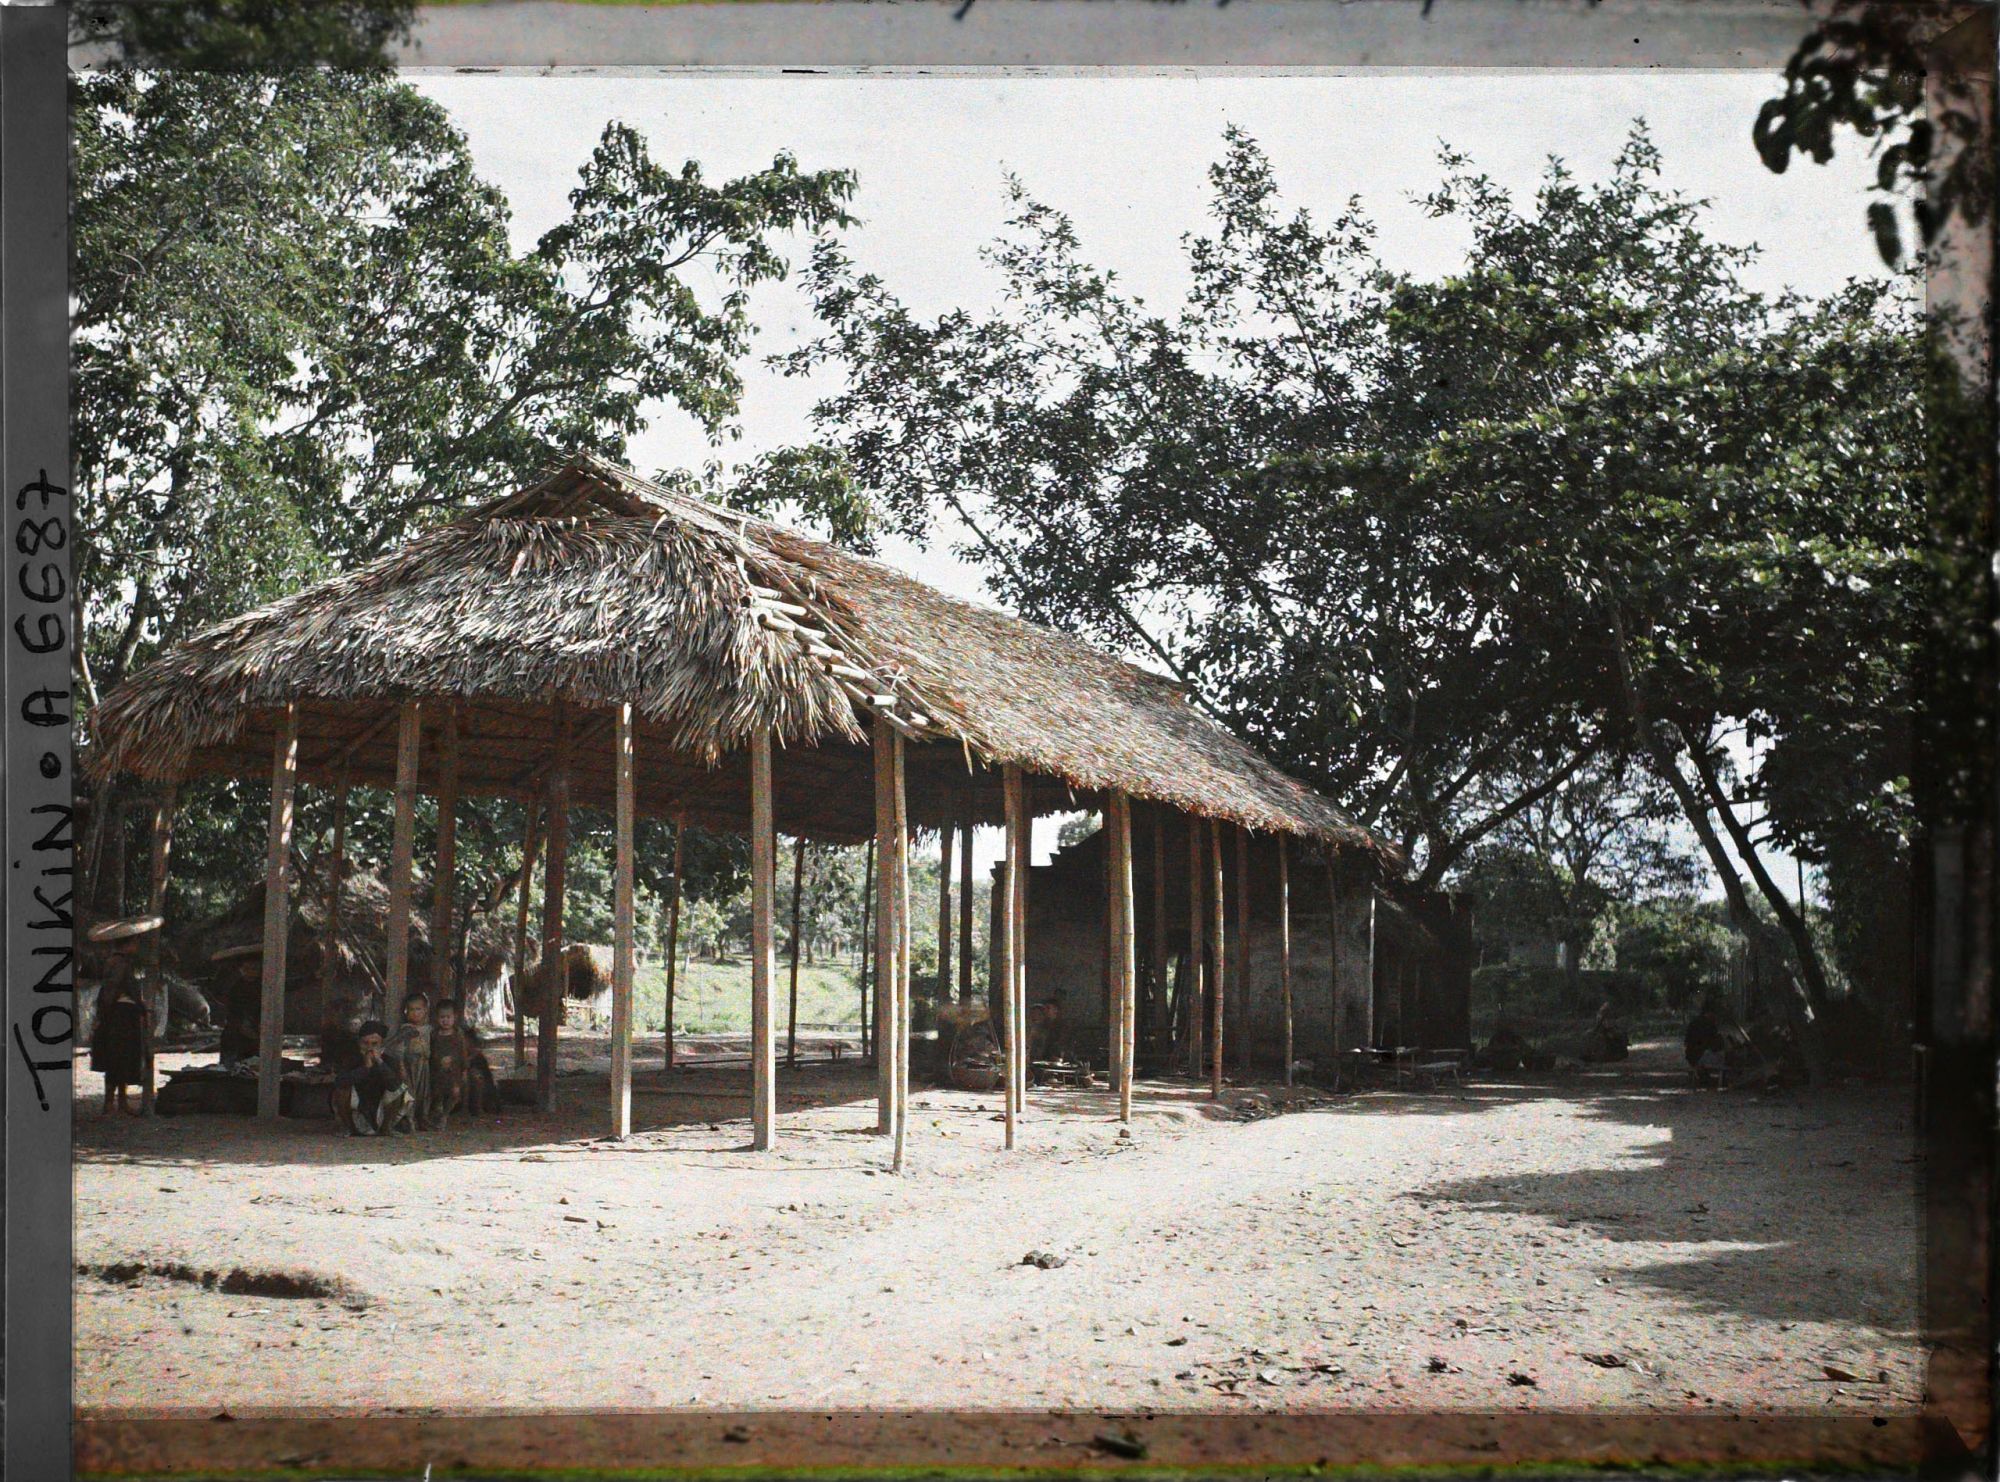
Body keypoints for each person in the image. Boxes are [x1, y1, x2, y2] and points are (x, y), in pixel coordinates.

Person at [87, 916, 161, 1116]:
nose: (137, 945)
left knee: (122, 1058)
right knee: (117, 1058)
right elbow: (112, 990)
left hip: (121, 1013)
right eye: (135, 942)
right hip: (119, 1014)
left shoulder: (121, 962)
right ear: (128, 944)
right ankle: (111, 1103)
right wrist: (105, 1014)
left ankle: (120, 1102)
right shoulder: (119, 963)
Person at [334, 1020, 415, 1135]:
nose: (369, 1048)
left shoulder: (388, 1060)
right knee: (341, 1090)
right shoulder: (351, 1058)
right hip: (359, 1107)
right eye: (365, 1043)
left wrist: (380, 1063)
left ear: (381, 1044)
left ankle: (386, 1129)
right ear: (359, 1043)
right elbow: (340, 1082)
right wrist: (365, 1068)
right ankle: (349, 1129)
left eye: (374, 1044)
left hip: (380, 1108)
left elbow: (395, 1086)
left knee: (400, 1090)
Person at [384, 991, 433, 1128]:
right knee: (410, 1093)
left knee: (424, 1092)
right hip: (410, 1066)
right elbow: (399, 1049)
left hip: (424, 1065)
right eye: (411, 1010)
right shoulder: (406, 1029)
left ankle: (423, 1117)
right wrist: (401, 1066)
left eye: (419, 1009)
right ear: (406, 1012)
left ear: (425, 1011)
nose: (415, 1013)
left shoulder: (428, 1029)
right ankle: (408, 1119)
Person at [429, 998, 469, 1129]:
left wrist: (464, 1070)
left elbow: (463, 1052)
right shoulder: (434, 1034)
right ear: (436, 1018)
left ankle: (445, 1115)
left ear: (455, 1017)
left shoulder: (458, 1034)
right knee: (437, 1092)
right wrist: (438, 1060)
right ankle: (438, 1114)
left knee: (454, 1093)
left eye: (448, 1017)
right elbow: (430, 1051)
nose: (445, 1020)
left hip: (454, 1070)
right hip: (438, 1071)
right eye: (442, 1017)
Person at [1685, 999, 1727, 1088]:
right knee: (1724, 1056)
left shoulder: (1694, 1022)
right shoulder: (1709, 1025)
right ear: (1711, 1013)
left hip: (1691, 1056)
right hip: (1700, 1056)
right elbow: (1715, 1045)